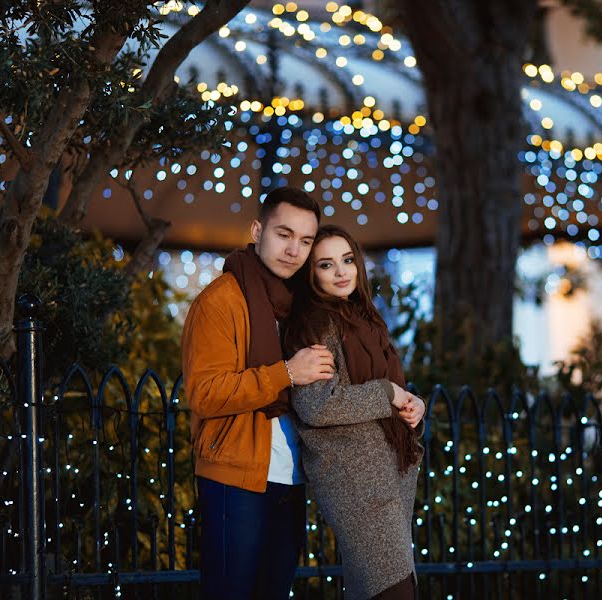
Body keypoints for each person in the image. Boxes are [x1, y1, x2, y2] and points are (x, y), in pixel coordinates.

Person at [181, 187, 336, 599]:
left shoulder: (303, 306)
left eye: (305, 241)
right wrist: (285, 372)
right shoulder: (220, 301)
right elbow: (205, 393)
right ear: (256, 230)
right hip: (236, 473)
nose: (294, 250)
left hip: (291, 475)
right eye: (284, 234)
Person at [284, 225, 426, 600]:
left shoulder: (364, 317)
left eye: (348, 260)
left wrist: (413, 405)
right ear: (310, 274)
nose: (342, 271)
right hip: (354, 482)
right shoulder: (314, 324)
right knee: (392, 589)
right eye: (327, 265)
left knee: (389, 588)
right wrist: (386, 393)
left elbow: (392, 390)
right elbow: (318, 404)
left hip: (388, 474)